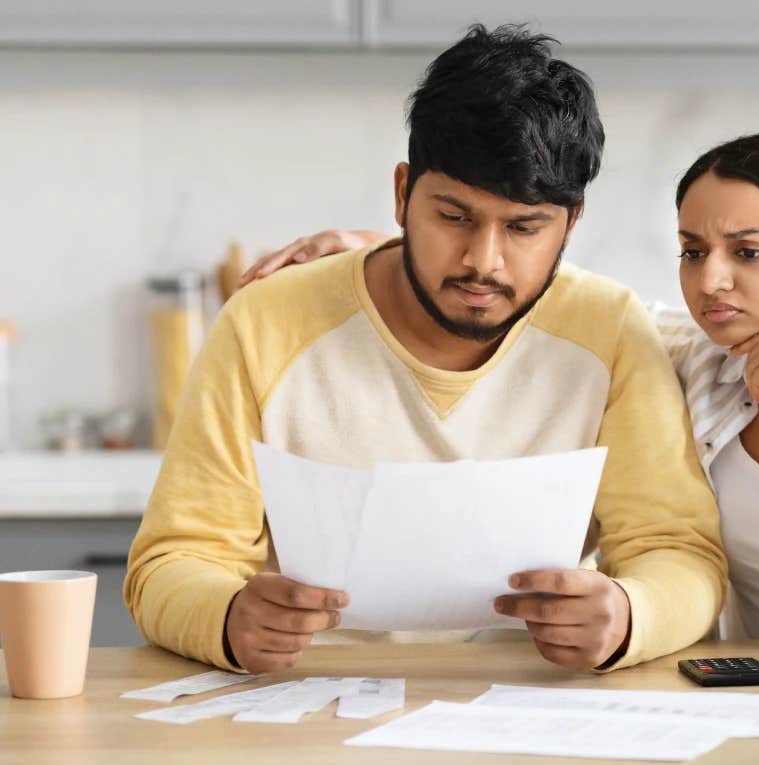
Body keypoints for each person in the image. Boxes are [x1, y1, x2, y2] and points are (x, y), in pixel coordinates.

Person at [246, 132, 759, 655]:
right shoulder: (700, 356)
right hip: (758, 701)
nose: (711, 279)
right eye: (692, 250)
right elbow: (562, 302)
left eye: (748, 253)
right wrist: (386, 252)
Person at [123, 25, 726, 675]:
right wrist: (227, 616)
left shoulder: (609, 328)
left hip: (533, 700)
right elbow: (172, 561)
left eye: (524, 227)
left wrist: (630, 611)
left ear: (570, 222)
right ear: (403, 193)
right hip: (308, 701)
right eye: (454, 216)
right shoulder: (264, 323)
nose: (482, 261)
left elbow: (680, 552)